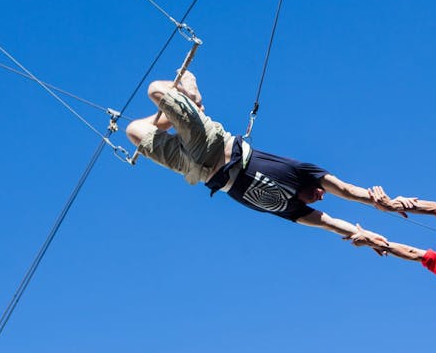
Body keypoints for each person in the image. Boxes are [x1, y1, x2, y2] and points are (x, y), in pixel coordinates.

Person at [125, 70, 405, 249]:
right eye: (321, 193)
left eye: (320, 199)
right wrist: (381, 203)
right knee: (155, 90)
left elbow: (330, 224)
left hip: (197, 170)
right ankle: (193, 96)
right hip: (212, 144)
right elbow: (346, 191)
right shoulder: (301, 171)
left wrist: (369, 237)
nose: (322, 196)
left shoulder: (294, 209)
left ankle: (180, 115)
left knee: (133, 131)